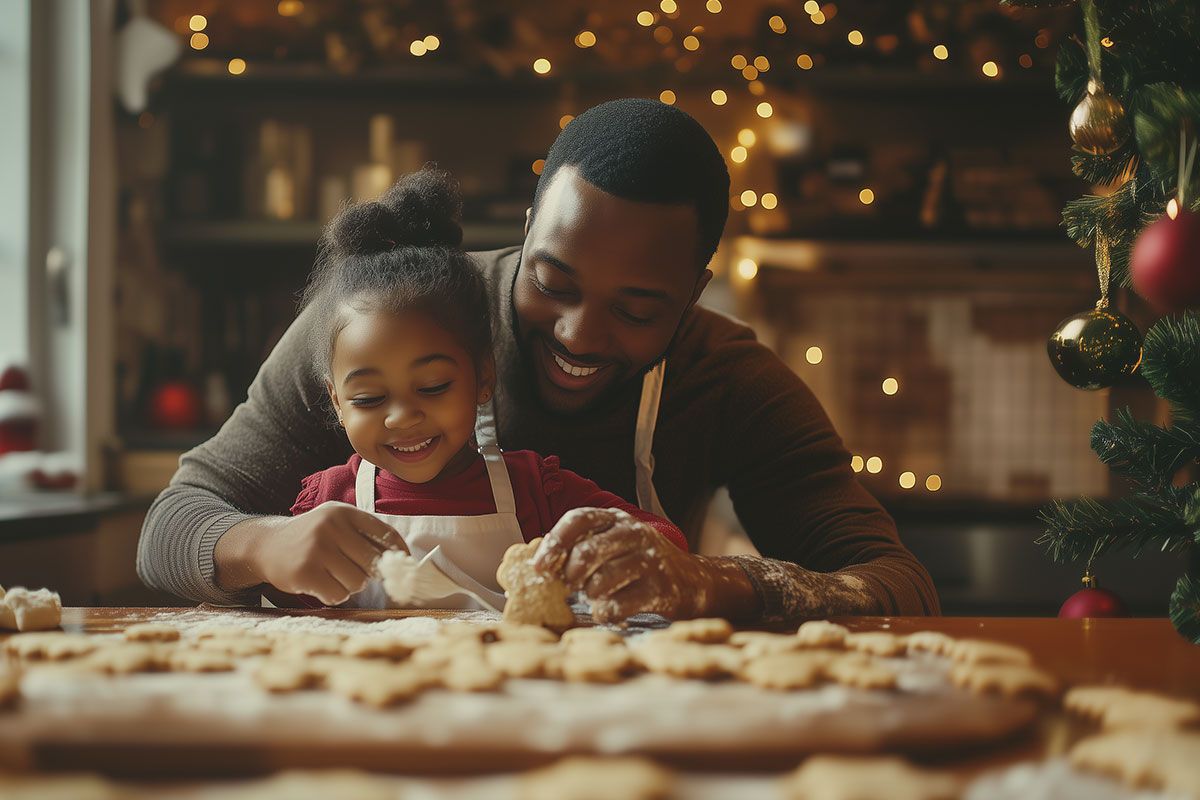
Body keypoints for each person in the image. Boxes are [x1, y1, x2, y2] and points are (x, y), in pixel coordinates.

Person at [137, 98, 939, 622]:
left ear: (693, 293)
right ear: (529, 226)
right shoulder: (388, 322)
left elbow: (898, 586)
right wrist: (264, 545)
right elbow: (171, 526)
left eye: (635, 310)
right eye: (552, 281)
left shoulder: (728, 377)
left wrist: (716, 582)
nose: (580, 336)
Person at [285, 168, 686, 609]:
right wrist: (277, 563)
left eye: (434, 386)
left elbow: (662, 542)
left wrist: (615, 554)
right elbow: (270, 589)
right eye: (369, 399)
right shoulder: (328, 502)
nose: (401, 417)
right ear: (336, 403)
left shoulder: (535, 491)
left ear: (483, 378)